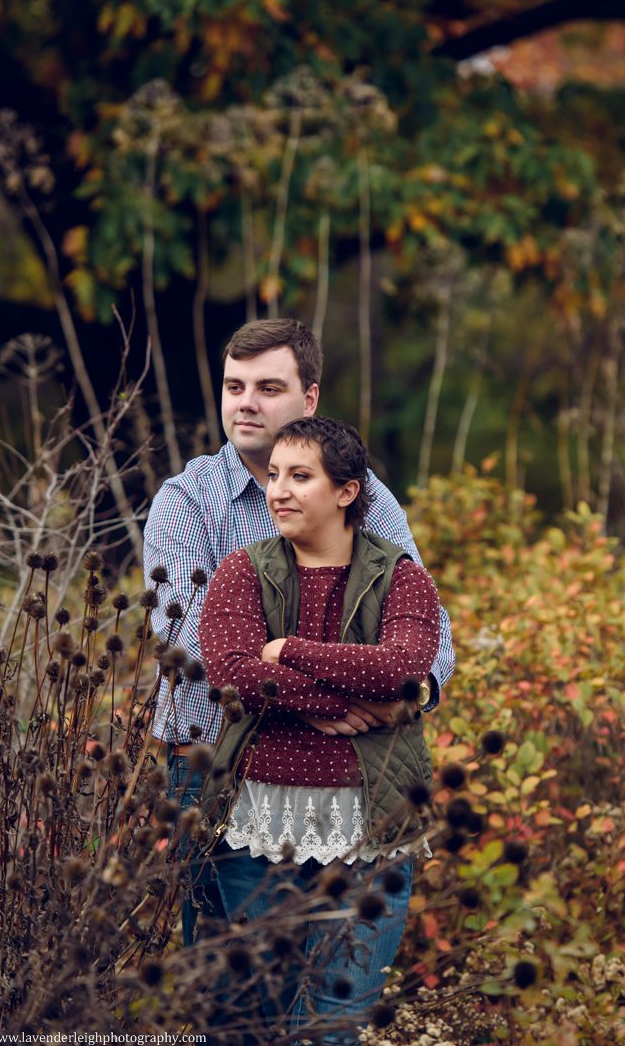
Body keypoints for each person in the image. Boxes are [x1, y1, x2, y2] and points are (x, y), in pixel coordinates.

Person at [143, 317, 454, 939]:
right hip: (213, 773)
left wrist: (392, 695)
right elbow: (193, 652)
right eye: (235, 387)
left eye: (268, 387)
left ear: (309, 399)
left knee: (337, 991)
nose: (247, 404)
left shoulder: (365, 497)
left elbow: (429, 638)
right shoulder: (186, 501)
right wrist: (316, 702)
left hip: (352, 777)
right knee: (229, 998)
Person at [197, 416, 440, 1043]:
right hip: (259, 832)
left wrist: (286, 649)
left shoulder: (402, 577)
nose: (278, 489)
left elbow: (404, 667)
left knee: (335, 1025)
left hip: (373, 832)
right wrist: (328, 699)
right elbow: (230, 676)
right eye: (274, 475)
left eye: (300, 477)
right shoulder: (240, 572)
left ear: (347, 491)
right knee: (255, 1018)